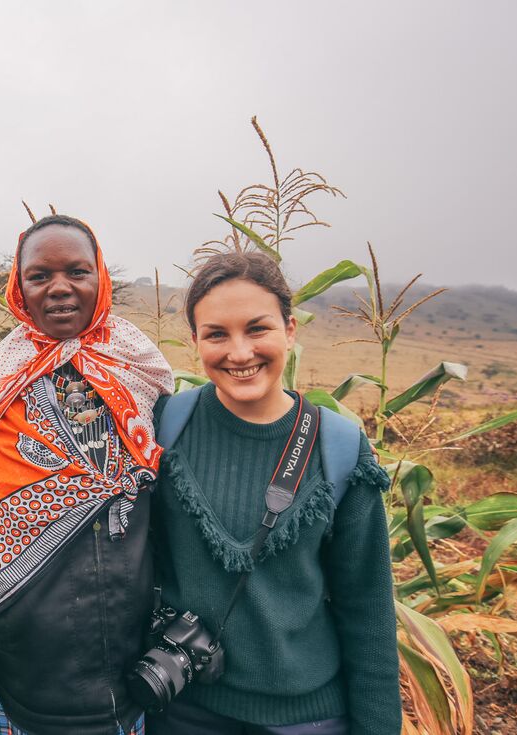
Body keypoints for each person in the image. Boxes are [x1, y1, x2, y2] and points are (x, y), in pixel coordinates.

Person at [0, 215, 175, 735]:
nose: (60, 288)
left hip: (131, 676)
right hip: (21, 678)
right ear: (20, 289)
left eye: (77, 271)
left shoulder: (143, 375)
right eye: (40, 276)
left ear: (100, 278)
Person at [146, 252, 401, 735]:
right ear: (195, 341)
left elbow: (368, 610)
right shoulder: (164, 428)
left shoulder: (342, 450)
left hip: (305, 717)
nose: (239, 353)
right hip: (183, 707)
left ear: (290, 329)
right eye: (217, 334)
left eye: (257, 329)